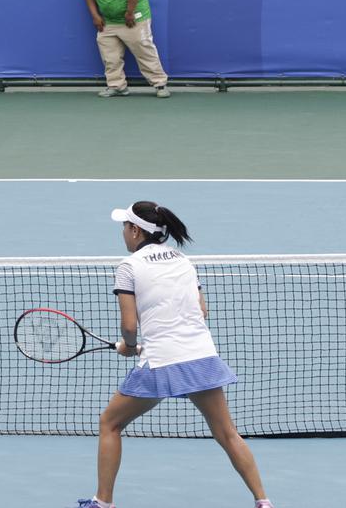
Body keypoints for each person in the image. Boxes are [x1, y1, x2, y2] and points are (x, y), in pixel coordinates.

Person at [72, 202, 272, 508]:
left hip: (161, 363)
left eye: (124, 226)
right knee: (227, 434)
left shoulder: (128, 267)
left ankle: (103, 502)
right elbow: (201, 310)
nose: (122, 232)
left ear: (135, 231)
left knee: (110, 423)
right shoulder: (183, 260)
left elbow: (129, 326)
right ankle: (263, 501)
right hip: (201, 357)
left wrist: (129, 346)